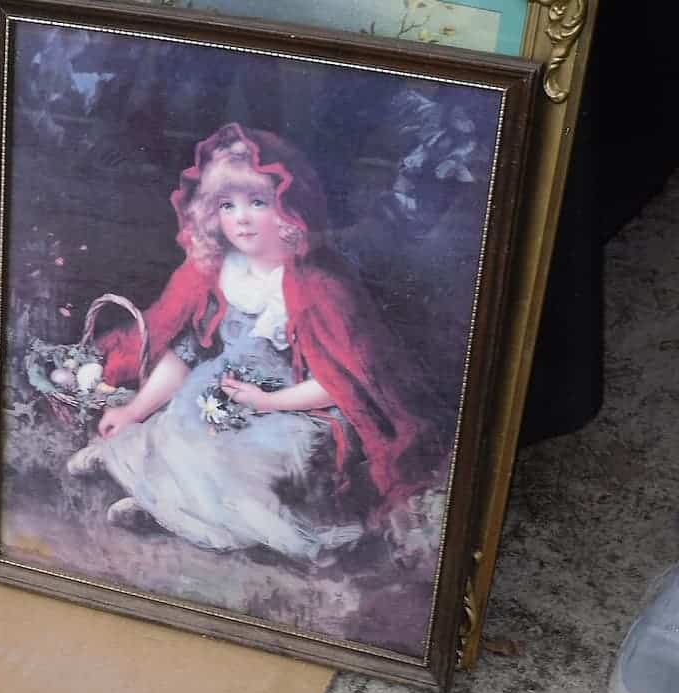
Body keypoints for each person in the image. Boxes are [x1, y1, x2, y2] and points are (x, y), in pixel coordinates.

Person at [66, 124, 452, 563]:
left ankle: (197, 513)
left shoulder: (320, 285)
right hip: (225, 393)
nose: (242, 218)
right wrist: (135, 409)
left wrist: (270, 402)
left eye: (257, 202)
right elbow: (189, 353)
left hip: (303, 409)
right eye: (227, 206)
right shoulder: (219, 272)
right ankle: (169, 503)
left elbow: (342, 383)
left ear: (289, 210)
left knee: (235, 456)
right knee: (178, 428)